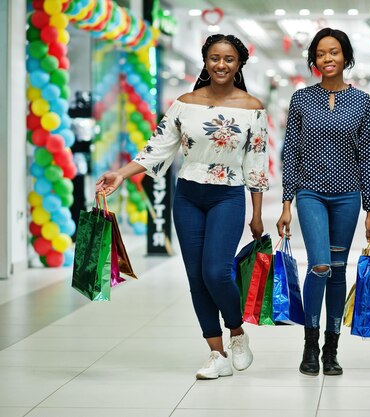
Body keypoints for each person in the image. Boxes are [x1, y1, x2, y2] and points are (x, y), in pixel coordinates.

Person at [96, 34, 269, 381]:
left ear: (239, 64)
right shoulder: (184, 104)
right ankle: (216, 353)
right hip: (188, 196)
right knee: (196, 278)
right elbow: (158, 148)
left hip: (228, 195)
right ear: (205, 61)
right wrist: (122, 174)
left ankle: (236, 333)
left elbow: (256, 162)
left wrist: (257, 213)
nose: (221, 64)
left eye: (229, 59)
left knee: (215, 272)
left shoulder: (252, 107)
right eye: (215, 58)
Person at [276, 27, 370, 377]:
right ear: (314, 60)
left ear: (345, 56)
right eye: (321, 53)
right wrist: (287, 201)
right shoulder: (302, 99)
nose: (328, 58)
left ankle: (331, 350)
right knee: (319, 265)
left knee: (337, 271)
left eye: (334, 52)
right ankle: (310, 343)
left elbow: (367, 156)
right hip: (310, 193)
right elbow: (291, 150)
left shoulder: (363, 101)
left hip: (349, 196)